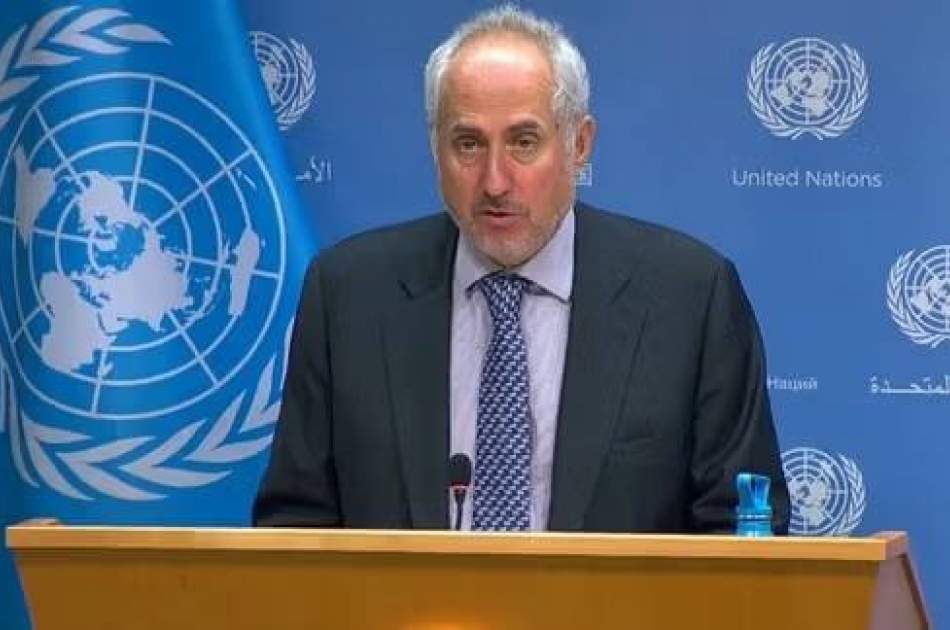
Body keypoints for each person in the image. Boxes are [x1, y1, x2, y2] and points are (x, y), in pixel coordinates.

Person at [253, 5, 790, 533]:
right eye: (468, 144)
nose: (494, 181)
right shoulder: (348, 296)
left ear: (579, 144)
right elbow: (295, 529)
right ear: (435, 149)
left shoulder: (690, 300)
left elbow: (742, 535)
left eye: (523, 142)